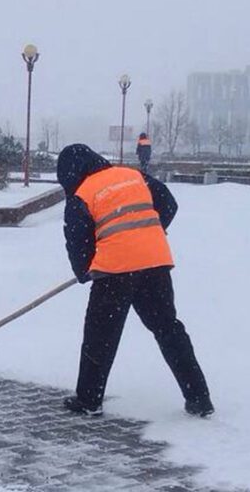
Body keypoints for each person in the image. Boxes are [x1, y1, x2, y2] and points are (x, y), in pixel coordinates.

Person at [56, 143, 213, 419]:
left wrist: (85, 271)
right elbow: (168, 203)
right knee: (168, 329)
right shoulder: (132, 176)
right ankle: (199, 398)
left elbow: (78, 242)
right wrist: (147, 233)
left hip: (115, 271)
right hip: (155, 264)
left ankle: (89, 400)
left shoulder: (83, 193)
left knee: (100, 336)